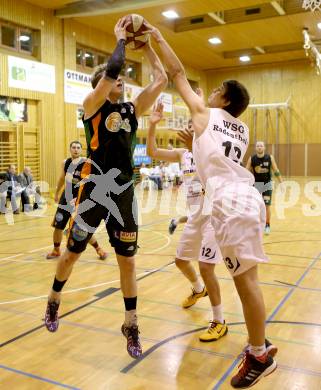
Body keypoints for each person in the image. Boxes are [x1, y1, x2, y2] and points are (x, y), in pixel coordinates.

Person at [145, 24, 277, 388]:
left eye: (217, 90)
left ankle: (259, 355)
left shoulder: (206, 114)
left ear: (224, 101)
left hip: (229, 203)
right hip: (241, 197)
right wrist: (196, 144)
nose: (211, 92)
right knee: (246, 279)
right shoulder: (241, 129)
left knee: (246, 282)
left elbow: (176, 73)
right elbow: (214, 159)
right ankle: (259, 341)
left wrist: (157, 37)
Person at [44, 17, 167, 360]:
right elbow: (113, 67)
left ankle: (130, 322)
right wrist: (120, 40)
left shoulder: (131, 109)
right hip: (94, 190)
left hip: (124, 193)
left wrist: (151, 45)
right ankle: (54, 299)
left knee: (127, 263)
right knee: (72, 253)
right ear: (102, 85)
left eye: (122, 80)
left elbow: (161, 79)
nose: (122, 81)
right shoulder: (91, 107)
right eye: (116, 80)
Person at [147, 101, 227, 342]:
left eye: (195, 124)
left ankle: (219, 320)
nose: (191, 127)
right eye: (189, 124)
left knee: (206, 267)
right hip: (194, 216)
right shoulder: (183, 154)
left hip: (213, 215)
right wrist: (151, 126)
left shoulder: (212, 148)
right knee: (181, 261)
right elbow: (152, 153)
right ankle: (198, 289)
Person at [46, 141, 108, 261]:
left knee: (81, 228)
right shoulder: (66, 162)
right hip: (65, 199)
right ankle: (56, 250)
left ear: (81, 150)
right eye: (73, 147)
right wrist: (57, 193)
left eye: (78, 148)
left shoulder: (86, 163)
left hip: (80, 200)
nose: (75, 149)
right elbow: (61, 178)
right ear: (70, 149)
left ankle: (98, 249)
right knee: (58, 226)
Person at [246, 141, 283, 235]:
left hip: (267, 185)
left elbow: (276, 170)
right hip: (256, 185)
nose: (259, 147)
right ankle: (256, 224)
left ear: (264, 148)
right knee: (256, 206)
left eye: (261, 146)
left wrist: (281, 182)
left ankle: (267, 225)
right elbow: (246, 172)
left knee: (267, 206)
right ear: (255, 148)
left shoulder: (270, 157)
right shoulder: (252, 159)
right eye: (258, 146)